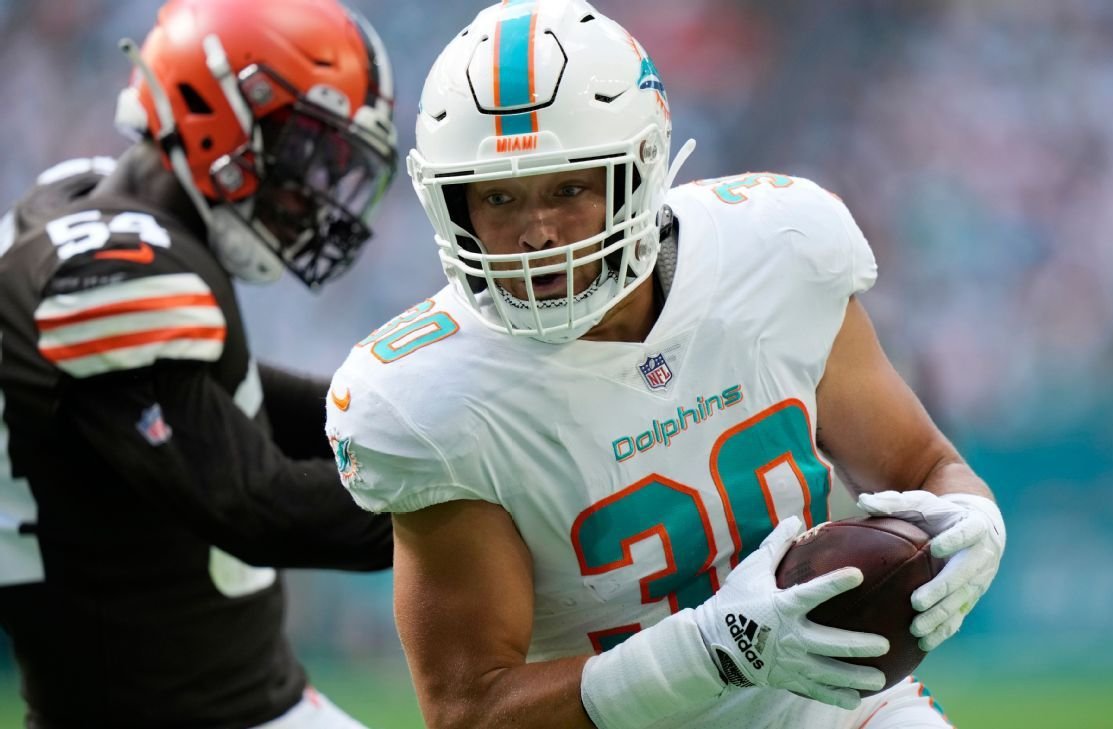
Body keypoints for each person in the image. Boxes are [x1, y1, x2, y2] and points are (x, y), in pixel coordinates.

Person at [327, 0, 1006, 727]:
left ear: (641, 172)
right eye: (498, 196)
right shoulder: (436, 396)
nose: (535, 233)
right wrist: (714, 649)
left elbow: (924, 466)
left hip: (827, 707)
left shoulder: (776, 251)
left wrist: (973, 520)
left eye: (568, 188)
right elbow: (470, 708)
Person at [0, 1, 399, 726]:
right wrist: (461, 505)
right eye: (307, 148)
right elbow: (255, 502)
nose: (314, 187)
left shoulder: (84, 206)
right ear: (216, 113)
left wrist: (406, 417)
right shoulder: (110, 272)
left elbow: (236, 397)